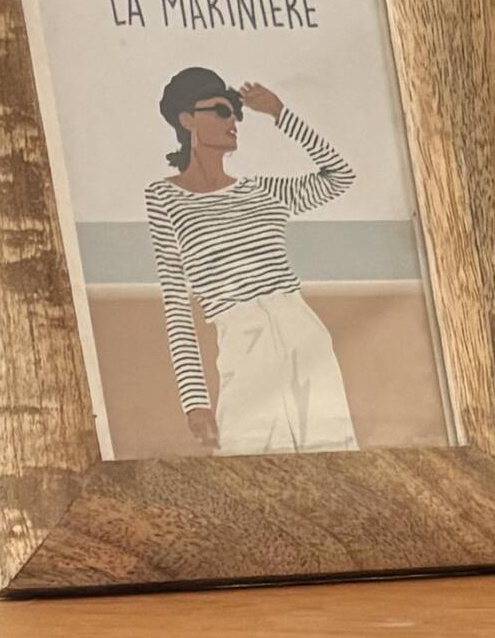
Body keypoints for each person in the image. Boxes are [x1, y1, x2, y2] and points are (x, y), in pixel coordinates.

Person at [145, 67, 359, 449]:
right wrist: (195, 401)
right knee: (254, 474)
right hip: (241, 343)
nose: (234, 122)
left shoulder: (263, 192)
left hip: (302, 333)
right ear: (187, 119)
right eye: (222, 111)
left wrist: (281, 114)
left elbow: (339, 176)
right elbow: (177, 305)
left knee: (334, 464)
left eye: (236, 114)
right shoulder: (164, 198)